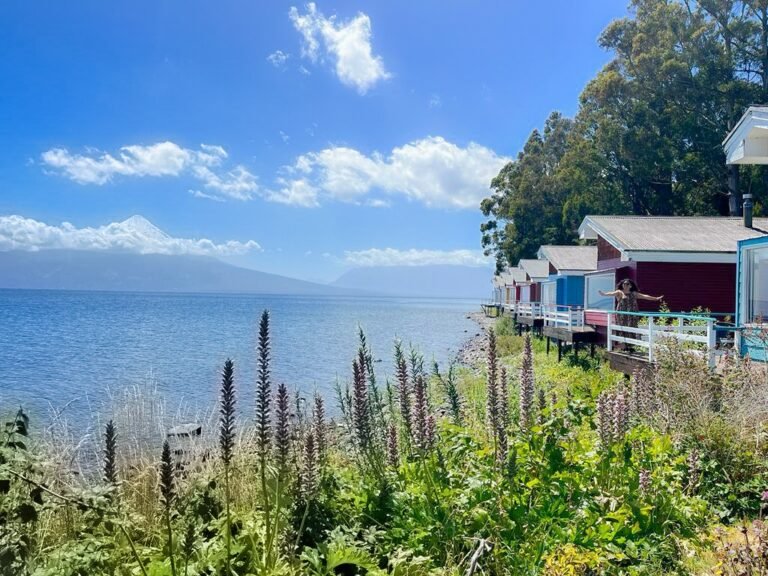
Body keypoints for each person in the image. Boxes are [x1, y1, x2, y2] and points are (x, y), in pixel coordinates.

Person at [599, 279, 664, 351]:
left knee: (632, 328)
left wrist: (655, 298)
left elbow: (645, 296)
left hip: (632, 315)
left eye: (627, 284)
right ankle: (623, 346)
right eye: (624, 284)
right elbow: (611, 293)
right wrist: (604, 294)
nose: (625, 285)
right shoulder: (619, 292)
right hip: (622, 315)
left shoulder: (634, 293)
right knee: (623, 328)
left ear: (630, 286)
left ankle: (630, 346)